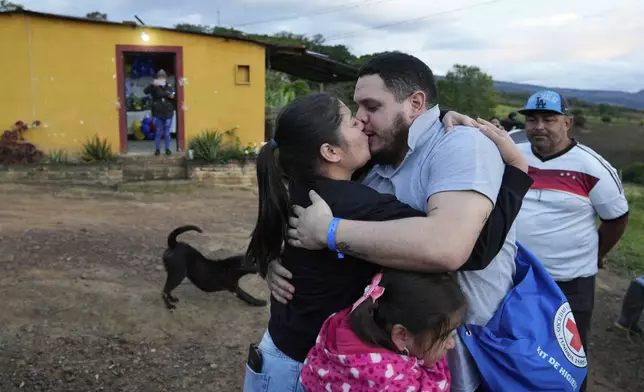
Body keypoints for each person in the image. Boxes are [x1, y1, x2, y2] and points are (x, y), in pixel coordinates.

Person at [271, 52, 530, 392]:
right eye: (356, 111)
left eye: (372, 107)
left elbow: (452, 247)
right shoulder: (372, 161)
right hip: (390, 363)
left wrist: (329, 232)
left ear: (416, 103)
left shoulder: (460, 143)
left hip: (469, 346)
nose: (361, 120)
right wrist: (280, 260)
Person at [513, 90, 630, 391]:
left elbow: (616, 219)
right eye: (532, 119)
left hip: (569, 280)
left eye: (548, 119)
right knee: (516, 344)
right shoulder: (514, 155)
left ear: (568, 122)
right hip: (515, 275)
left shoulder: (593, 167)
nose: (539, 126)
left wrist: (596, 255)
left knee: (569, 353)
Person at [300, 270, 466, 391]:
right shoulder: (396, 383)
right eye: (444, 336)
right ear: (401, 335)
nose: (451, 344)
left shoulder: (343, 330)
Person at [144, 69, 175, 156]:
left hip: (168, 112)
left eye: (163, 77)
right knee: (158, 131)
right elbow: (145, 91)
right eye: (159, 77)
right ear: (157, 78)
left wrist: (172, 95)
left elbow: (173, 94)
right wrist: (152, 84)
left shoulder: (169, 85)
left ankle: (167, 149)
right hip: (157, 112)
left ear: (165, 78)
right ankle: (157, 149)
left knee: (167, 132)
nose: (161, 78)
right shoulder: (154, 87)